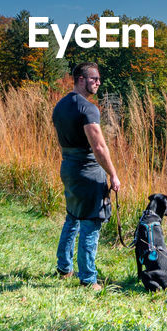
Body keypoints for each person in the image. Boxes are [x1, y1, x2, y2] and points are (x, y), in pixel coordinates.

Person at [52, 61, 121, 290]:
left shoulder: (60, 106)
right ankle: (88, 279)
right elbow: (99, 147)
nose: (98, 83)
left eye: (98, 79)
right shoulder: (88, 109)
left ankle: (64, 267)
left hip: (68, 168)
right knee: (91, 222)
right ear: (81, 79)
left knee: (72, 216)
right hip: (88, 171)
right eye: (94, 79)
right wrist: (113, 174)